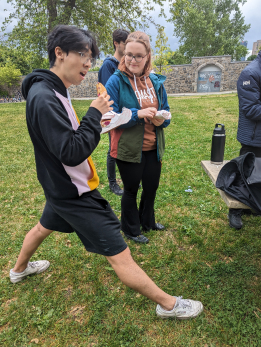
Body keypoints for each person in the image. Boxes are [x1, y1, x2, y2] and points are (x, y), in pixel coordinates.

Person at [9, 25, 203, 320]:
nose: (89, 63)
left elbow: (64, 141)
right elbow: (72, 151)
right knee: (119, 253)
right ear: (59, 54)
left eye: (91, 57)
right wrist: (95, 114)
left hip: (59, 186)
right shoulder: (45, 97)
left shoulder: (51, 89)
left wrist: (94, 121)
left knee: (42, 226)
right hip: (74, 191)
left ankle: (18, 270)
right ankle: (169, 304)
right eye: (83, 55)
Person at [105, 31, 169, 244]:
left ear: (148, 56)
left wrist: (163, 119)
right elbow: (107, 118)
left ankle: (148, 221)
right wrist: (136, 114)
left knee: (151, 187)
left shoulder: (156, 81)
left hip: (153, 146)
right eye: (128, 54)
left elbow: (166, 111)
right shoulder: (116, 81)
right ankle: (131, 229)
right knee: (131, 190)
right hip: (129, 148)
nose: (132, 60)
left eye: (138, 56)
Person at [228, 50, 261, 229]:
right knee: (244, 175)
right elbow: (251, 109)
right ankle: (235, 210)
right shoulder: (250, 73)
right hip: (254, 137)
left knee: (259, 175)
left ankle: (252, 204)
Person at [98, 29, 129, 196]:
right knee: (113, 148)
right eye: (125, 43)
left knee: (123, 146)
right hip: (112, 112)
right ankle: (112, 183)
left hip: (125, 112)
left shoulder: (125, 64)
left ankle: (125, 179)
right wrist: (112, 116)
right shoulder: (108, 65)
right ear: (117, 43)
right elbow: (105, 92)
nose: (128, 47)